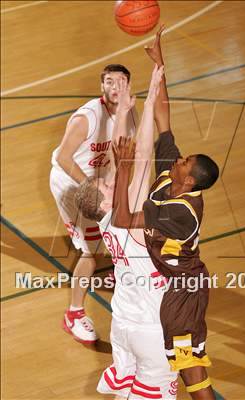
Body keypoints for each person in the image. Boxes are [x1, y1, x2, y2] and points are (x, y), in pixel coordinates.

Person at [111, 28, 219, 400]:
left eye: (184, 162)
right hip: (174, 285)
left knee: (189, 366)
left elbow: (122, 220)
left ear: (188, 181)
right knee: (187, 362)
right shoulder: (172, 178)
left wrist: (123, 171)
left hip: (184, 288)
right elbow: (163, 118)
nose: (178, 158)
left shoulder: (182, 211)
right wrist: (159, 65)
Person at [75, 64, 179, 399]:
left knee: (126, 390)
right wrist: (148, 102)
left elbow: (120, 157)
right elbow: (143, 156)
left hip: (122, 319)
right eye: (105, 187)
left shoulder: (106, 218)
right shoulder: (125, 212)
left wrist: (123, 112)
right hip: (150, 323)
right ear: (105, 202)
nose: (109, 182)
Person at [49, 64, 137, 344]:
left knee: (123, 223)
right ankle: (73, 313)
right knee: (91, 251)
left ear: (128, 87)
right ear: (102, 87)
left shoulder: (128, 115)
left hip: (97, 181)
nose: (115, 87)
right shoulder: (87, 117)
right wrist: (92, 186)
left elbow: (118, 158)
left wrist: (113, 186)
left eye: (121, 82)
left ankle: (116, 273)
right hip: (70, 182)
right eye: (110, 82)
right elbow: (63, 157)